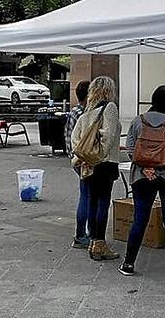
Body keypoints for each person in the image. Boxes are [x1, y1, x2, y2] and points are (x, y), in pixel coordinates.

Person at [118, 85, 165, 277]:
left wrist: (145, 168)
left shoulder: (138, 121)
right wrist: (162, 167)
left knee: (140, 219)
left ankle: (129, 263)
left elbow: (130, 148)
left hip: (141, 176)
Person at [71, 76, 123, 261]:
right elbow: (107, 137)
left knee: (92, 202)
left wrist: (84, 158)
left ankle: (94, 242)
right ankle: (100, 243)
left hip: (88, 164)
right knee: (102, 203)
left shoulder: (87, 111)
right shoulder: (109, 107)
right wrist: (98, 156)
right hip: (104, 163)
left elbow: (75, 138)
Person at [65, 80, 91, 249]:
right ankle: (81, 234)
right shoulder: (84, 114)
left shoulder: (73, 112)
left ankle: (82, 232)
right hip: (84, 160)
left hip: (75, 159)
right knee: (87, 196)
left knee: (85, 195)